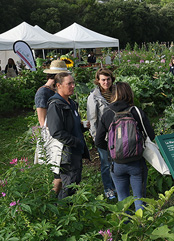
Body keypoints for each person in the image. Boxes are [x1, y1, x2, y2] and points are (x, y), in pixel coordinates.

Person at [94, 82, 154, 212]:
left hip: (117, 164)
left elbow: (98, 141)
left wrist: (112, 150)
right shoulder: (136, 111)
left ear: (113, 95)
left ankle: (125, 227)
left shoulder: (107, 114)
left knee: (122, 199)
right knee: (139, 198)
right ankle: (141, 228)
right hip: (137, 163)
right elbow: (151, 135)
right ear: (129, 94)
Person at [46, 72, 90, 200]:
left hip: (74, 150)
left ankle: (66, 209)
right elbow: (56, 131)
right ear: (59, 85)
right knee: (69, 185)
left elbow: (70, 126)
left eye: (73, 83)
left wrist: (82, 127)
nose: (73, 86)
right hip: (66, 153)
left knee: (74, 182)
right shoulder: (55, 105)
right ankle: (63, 211)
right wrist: (76, 141)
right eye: (69, 83)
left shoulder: (71, 103)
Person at [35, 60, 71, 193]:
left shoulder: (55, 90)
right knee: (57, 172)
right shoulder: (43, 93)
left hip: (60, 132)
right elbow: (42, 120)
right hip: (53, 135)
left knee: (62, 170)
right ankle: (52, 199)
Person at [87, 68, 117, 201]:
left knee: (117, 161)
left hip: (119, 134)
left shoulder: (117, 92)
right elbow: (93, 119)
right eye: (103, 80)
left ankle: (117, 185)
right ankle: (108, 188)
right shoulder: (94, 97)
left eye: (108, 79)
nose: (106, 82)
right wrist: (95, 137)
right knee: (106, 163)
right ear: (98, 81)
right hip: (104, 135)